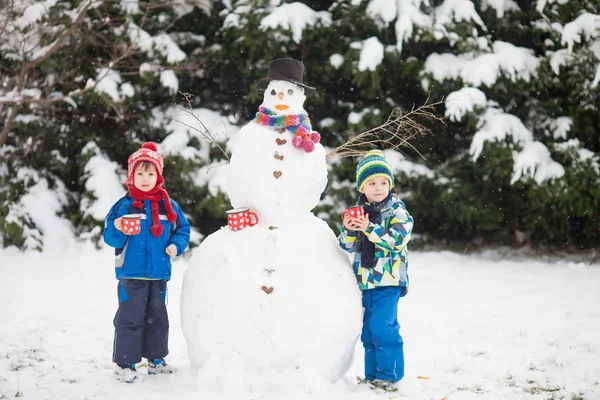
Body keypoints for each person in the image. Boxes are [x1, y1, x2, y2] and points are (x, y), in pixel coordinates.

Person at [103, 142, 191, 383]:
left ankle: (156, 360)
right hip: (131, 274)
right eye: (139, 173)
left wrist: (176, 245)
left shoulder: (169, 206)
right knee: (130, 318)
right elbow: (110, 237)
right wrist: (120, 228)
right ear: (131, 176)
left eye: (150, 173)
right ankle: (125, 364)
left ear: (158, 176)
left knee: (158, 318)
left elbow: (183, 230)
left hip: (159, 273)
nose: (145, 178)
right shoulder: (124, 206)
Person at [338, 150, 414, 392]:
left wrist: (369, 227)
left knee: (384, 326)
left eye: (383, 182)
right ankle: (373, 376)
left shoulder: (397, 211)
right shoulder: (359, 212)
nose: (378, 187)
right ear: (362, 188)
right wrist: (351, 229)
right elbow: (347, 245)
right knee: (369, 331)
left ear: (390, 184)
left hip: (389, 280)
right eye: (371, 183)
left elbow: (397, 240)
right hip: (365, 281)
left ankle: (390, 376)